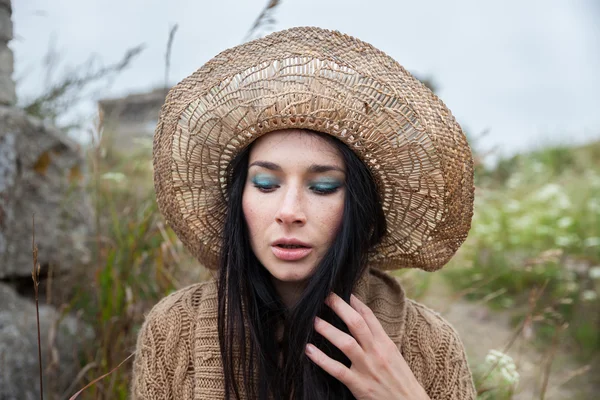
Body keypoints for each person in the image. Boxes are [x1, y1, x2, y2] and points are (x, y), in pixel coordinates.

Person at [131, 27, 476, 399]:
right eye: (266, 184)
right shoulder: (172, 330)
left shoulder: (432, 346)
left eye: (323, 187)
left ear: (361, 209)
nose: (289, 212)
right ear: (238, 199)